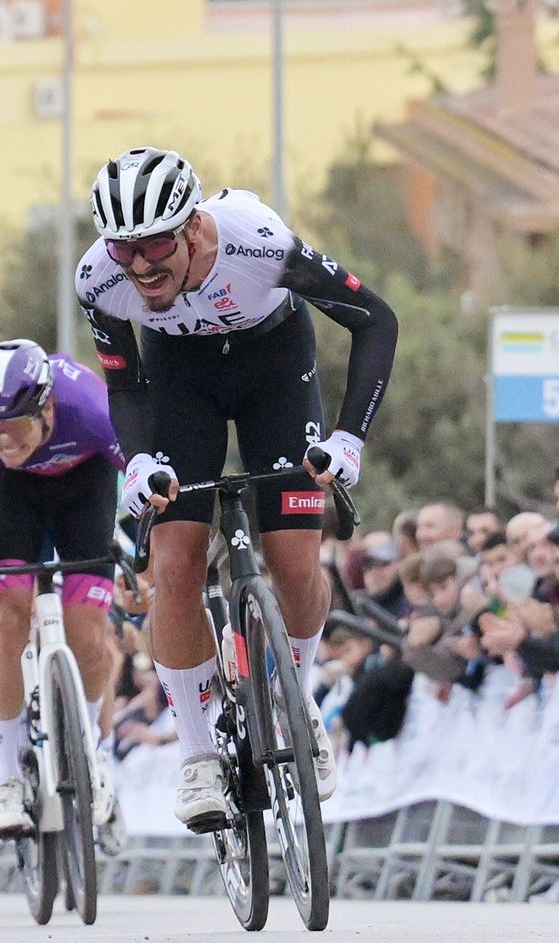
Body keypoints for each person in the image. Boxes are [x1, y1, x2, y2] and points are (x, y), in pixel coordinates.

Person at [80, 147, 398, 830]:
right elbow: (125, 382)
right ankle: (198, 755)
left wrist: (348, 438)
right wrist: (136, 463)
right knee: (175, 562)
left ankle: (297, 695)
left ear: (193, 226)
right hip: (177, 383)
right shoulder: (98, 279)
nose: (140, 265)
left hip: (274, 368)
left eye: (156, 243)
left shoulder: (260, 243)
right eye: (124, 248)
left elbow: (375, 319)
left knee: (294, 557)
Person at [0, 339, 125, 843]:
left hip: (85, 492)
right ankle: (7, 775)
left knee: (87, 630)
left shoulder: (91, 408)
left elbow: (143, 488)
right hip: (17, 502)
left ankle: (93, 751)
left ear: (47, 409)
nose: (4, 441)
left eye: (17, 427)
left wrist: (149, 570)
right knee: (3, 620)